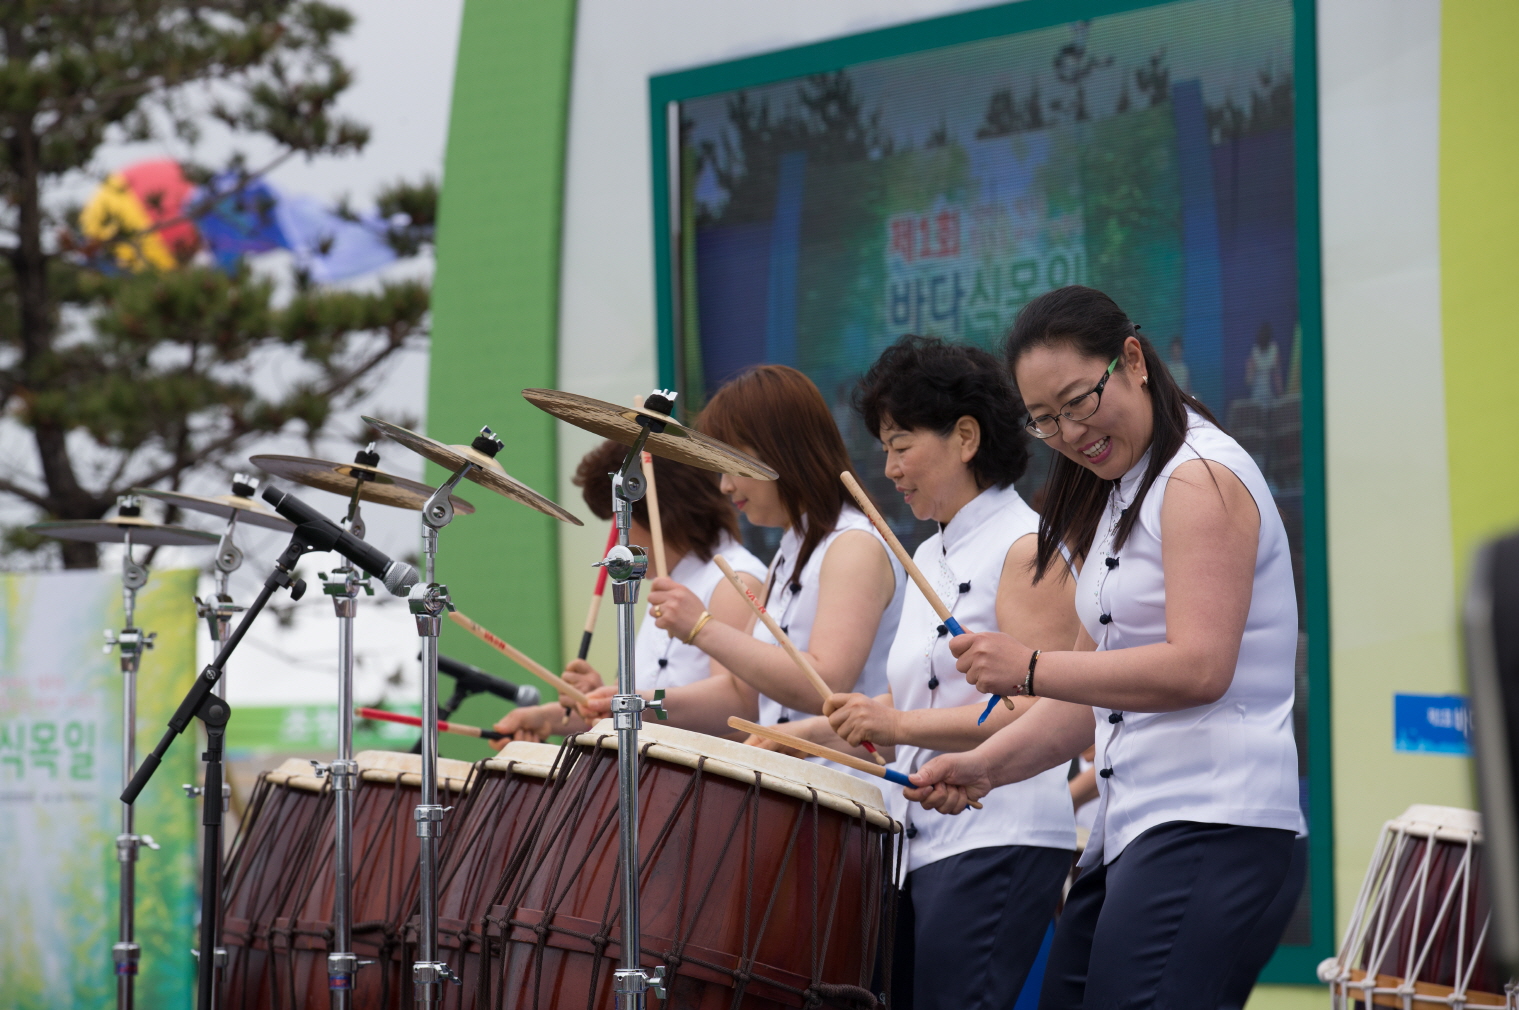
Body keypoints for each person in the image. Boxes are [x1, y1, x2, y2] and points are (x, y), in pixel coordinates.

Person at [906, 286, 1303, 1010]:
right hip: (1134, 827)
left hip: (1214, 823)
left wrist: (1028, 665)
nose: (1066, 432)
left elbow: (1200, 666)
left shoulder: (1199, 476)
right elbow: (1087, 699)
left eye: (1077, 402)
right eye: (1044, 420)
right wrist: (981, 768)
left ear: (1131, 360)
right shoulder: (1120, 492)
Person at [770, 336, 1080, 1010]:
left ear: (964, 437)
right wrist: (807, 736)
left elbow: (1037, 710)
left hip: (1002, 832)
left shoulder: (1023, 546)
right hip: (926, 839)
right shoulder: (927, 553)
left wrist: (898, 722)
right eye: (883, 448)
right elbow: (912, 698)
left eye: (900, 445)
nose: (888, 469)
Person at [585, 364, 906, 751]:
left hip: (850, 796)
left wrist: (702, 627)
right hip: (798, 795)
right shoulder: (792, 553)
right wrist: (635, 705)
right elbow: (743, 699)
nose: (725, 484)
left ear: (781, 448)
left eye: (732, 462)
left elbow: (827, 685)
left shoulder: (853, 545)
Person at [490, 440, 766, 743]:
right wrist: (551, 717)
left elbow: (737, 711)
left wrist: (630, 701)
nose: (615, 544)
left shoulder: (732, 583)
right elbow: (639, 711)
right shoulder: (673, 583)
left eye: (620, 522)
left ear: (660, 511)